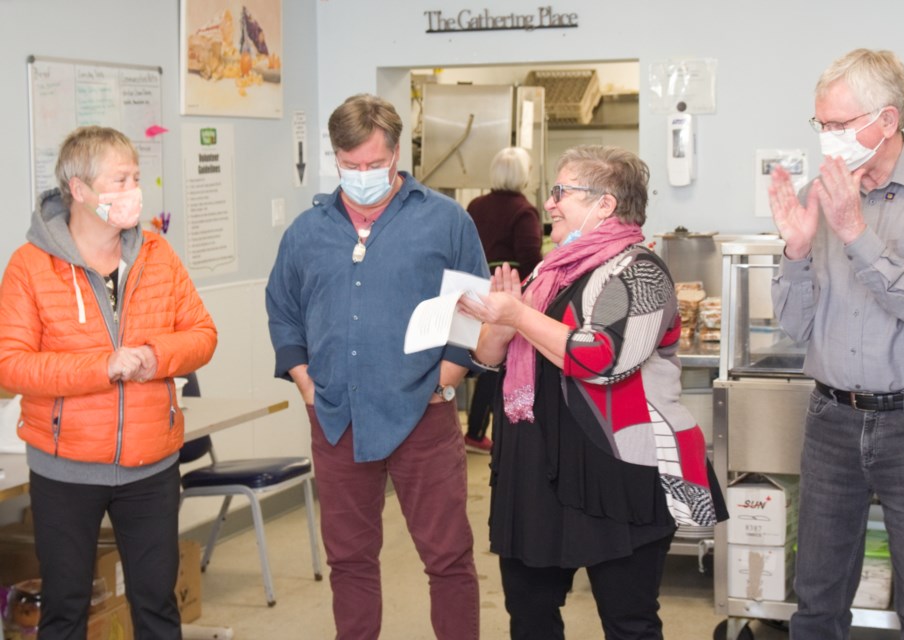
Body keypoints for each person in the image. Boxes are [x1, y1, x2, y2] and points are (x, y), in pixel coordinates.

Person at [459, 145, 726, 639]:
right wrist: (498, 323)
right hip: (537, 475)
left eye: (562, 192)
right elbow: (489, 359)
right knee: (531, 617)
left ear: (605, 204)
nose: (551, 203)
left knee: (628, 622)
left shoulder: (642, 272)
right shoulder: (549, 270)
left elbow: (599, 358)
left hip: (617, 475)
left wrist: (518, 315)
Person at [265, 93, 488, 640]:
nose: (361, 175)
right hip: (338, 418)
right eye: (350, 165)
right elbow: (283, 310)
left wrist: (451, 374)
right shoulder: (307, 232)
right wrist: (303, 381)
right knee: (351, 561)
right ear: (334, 157)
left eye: (373, 164)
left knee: (448, 558)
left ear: (394, 155)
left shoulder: (444, 221)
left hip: (423, 415)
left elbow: (474, 307)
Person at [768, 49, 904, 640]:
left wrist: (854, 231)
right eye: (820, 124)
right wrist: (797, 251)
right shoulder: (820, 192)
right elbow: (793, 326)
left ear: (887, 120)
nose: (828, 139)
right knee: (817, 601)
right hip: (831, 419)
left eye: (840, 125)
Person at [0, 126, 218, 639]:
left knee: (157, 606)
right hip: (66, 470)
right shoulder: (30, 267)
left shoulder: (156, 255)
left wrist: (155, 356)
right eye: (119, 179)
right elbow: (11, 365)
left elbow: (203, 334)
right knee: (65, 609)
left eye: (136, 177)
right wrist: (103, 367)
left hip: (152, 466)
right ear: (79, 190)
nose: (133, 190)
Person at [464, 146, 543, 454]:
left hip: (474, 289)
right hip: (506, 294)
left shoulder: (475, 205)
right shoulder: (524, 210)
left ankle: (474, 430)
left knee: (479, 357)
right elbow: (531, 258)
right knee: (496, 363)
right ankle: (481, 431)